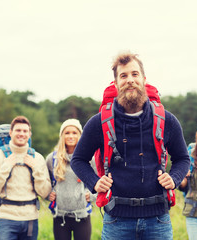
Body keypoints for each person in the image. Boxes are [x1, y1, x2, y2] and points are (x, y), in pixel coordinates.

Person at [71, 52, 190, 240]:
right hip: (116, 220)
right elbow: (78, 160)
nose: (130, 80)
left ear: (144, 79)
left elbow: (183, 159)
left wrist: (174, 178)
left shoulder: (167, 120)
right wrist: (95, 182)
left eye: (135, 74)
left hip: (157, 219)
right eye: (123, 76)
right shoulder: (99, 122)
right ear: (116, 84)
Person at [0, 116, 52, 240]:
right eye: (18, 130)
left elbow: (45, 192)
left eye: (25, 131)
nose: (21, 134)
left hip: (31, 219)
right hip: (6, 218)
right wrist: (5, 167)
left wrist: (36, 169)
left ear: (30, 134)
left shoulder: (38, 158)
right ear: (11, 133)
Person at [46, 119, 96, 240]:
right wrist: (48, 194)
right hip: (60, 217)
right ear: (61, 136)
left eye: (74, 132)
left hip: (82, 215)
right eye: (67, 133)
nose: (71, 136)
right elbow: (44, 182)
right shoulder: (52, 159)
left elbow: (98, 181)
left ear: (80, 135)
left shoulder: (90, 159)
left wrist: (93, 195)